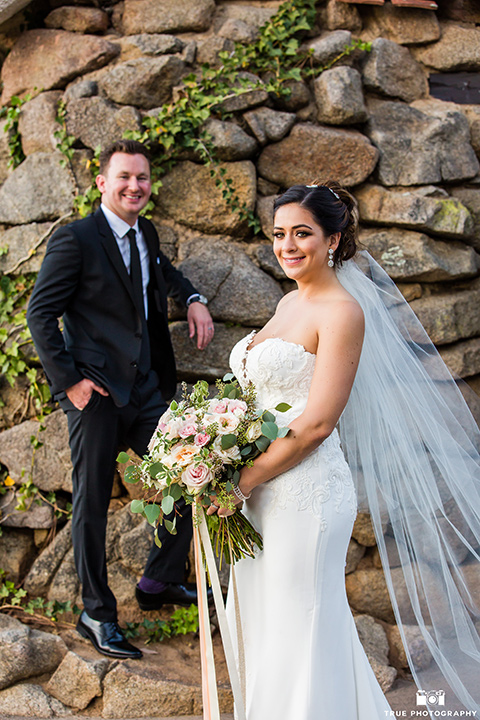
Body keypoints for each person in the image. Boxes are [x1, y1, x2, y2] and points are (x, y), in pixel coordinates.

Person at [208, 182, 480, 719]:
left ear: (333, 239)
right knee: (265, 622)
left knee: (302, 626)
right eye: (280, 234)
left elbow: (316, 424)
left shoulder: (342, 312)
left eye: (302, 233)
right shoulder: (289, 300)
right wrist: (210, 453)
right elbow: (257, 397)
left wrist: (239, 481)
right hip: (260, 490)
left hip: (302, 495)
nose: (288, 245)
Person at [27, 139, 214, 660]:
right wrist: (71, 383)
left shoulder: (145, 232)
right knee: (91, 501)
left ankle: (157, 582)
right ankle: (96, 613)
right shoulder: (76, 240)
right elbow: (40, 314)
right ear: (102, 183)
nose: (135, 186)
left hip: (147, 390)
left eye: (143, 178)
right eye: (125, 177)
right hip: (96, 394)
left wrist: (193, 298)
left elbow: (162, 273)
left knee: (190, 471)